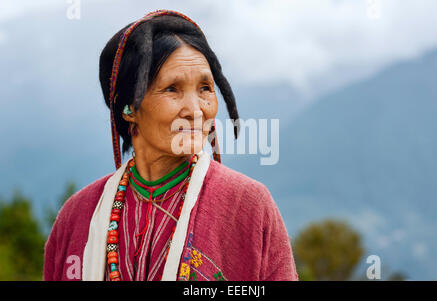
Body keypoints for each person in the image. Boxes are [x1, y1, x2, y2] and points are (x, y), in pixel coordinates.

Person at [44, 9, 298, 281]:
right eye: (172, 89)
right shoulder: (77, 216)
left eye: (205, 88)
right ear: (128, 108)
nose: (195, 109)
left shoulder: (247, 206)